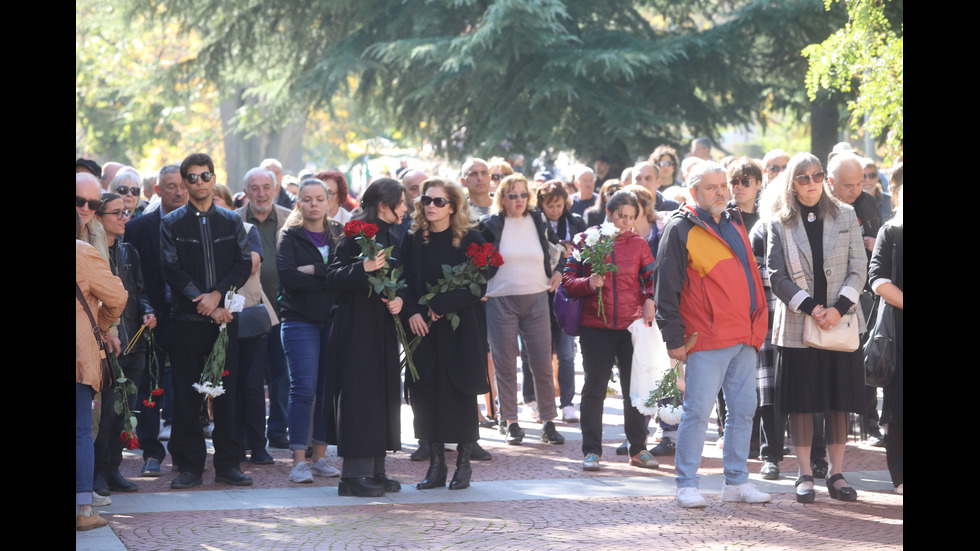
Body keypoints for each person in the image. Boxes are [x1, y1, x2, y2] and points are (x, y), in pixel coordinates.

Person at [655, 161, 771, 508]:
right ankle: (686, 483)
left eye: (723, 185)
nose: (721, 191)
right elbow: (666, 290)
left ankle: (736, 482)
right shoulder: (679, 228)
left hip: (744, 335)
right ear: (693, 192)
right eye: (711, 187)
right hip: (706, 336)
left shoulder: (734, 220)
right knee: (697, 412)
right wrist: (673, 339)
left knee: (744, 411)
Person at [767, 152, 867, 503]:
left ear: (825, 178)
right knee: (802, 403)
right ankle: (805, 473)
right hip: (798, 324)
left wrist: (839, 308)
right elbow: (775, 275)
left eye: (817, 176)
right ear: (792, 184)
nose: (812, 184)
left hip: (841, 324)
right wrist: (811, 308)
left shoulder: (846, 214)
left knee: (840, 401)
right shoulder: (779, 221)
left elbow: (860, 267)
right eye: (803, 178)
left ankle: (837, 474)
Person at [161, 153, 253, 489]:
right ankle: (189, 467)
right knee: (188, 396)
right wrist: (205, 302)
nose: (200, 182)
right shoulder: (171, 224)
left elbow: (243, 264)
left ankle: (229, 465)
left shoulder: (231, 222)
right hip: (187, 319)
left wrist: (217, 295)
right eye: (193, 177)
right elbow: (172, 270)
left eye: (205, 176)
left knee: (226, 394)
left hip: (225, 320)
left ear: (214, 179)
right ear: (184, 182)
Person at [402, 179, 492, 490]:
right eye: (427, 200)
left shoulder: (471, 239)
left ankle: (464, 465)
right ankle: (436, 466)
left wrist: (440, 304)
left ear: (452, 207)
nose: (430, 206)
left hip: (460, 330)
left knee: (460, 392)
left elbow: (477, 286)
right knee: (427, 395)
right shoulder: (414, 240)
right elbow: (401, 281)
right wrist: (413, 312)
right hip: (422, 329)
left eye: (439, 201)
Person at [562, 189, 658, 472]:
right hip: (596, 327)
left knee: (635, 389)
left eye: (631, 217)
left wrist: (650, 298)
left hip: (631, 327)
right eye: (621, 217)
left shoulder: (639, 244)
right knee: (594, 389)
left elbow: (651, 278)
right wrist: (587, 283)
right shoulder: (586, 239)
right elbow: (568, 280)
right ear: (608, 213)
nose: (626, 223)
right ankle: (591, 450)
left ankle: (638, 448)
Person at [325, 177, 408, 497]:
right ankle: (352, 476)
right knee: (360, 398)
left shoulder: (393, 235)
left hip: (383, 328)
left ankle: (376, 469)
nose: (405, 209)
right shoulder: (353, 234)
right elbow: (332, 277)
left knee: (382, 396)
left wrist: (399, 298)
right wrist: (364, 268)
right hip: (355, 329)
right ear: (383, 205)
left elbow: (400, 279)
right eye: (400, 203)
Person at [481, 173, 565, 447]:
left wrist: (560, 273)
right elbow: (475, 258)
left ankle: (548, 422)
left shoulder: (538, 219)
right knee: (505, 364)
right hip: (500, 299)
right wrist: (478, 286)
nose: (518, 200)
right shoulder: (490, 224)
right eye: (512, 195)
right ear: (501, 198)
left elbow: (560, 248)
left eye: (523, 194)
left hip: (537, 297)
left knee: (542, 362)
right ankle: (510, 422)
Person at [277, 178, 344, 483]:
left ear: (329, 201)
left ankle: (320, 457)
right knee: (304, 389)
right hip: (299, 320)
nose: (314, 204)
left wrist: (316, 270)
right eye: (307, 199)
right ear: (299, 203)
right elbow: (290, 279)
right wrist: (329, 276)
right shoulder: (289, 237)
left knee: (327, 391)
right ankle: (299, 461)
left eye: (319, 198)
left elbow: (346, 275)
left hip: (333, 320)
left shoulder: (340, 234)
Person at [92, 194, 157, 495]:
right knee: (104, 415)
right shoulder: (90, 252)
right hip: (105, 344)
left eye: (127, 212)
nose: (124, 218)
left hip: (135, 341)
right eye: (117, 213)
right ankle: (95, 473)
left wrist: (148, 310)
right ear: (99, 217)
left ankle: (113, 468)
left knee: (125, 412)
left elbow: (139, 289)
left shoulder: (129, 251)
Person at [76, 219, 127, 530]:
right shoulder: (82, 252)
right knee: (80, 429)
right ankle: (83, 511)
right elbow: (117, 297)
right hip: (78, 353)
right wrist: (102, 326)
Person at [536, 180, 587, 423]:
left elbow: (585, 253)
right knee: (537, 352)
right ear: (541, 205)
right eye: (550, 206)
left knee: (566, 352)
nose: (555, 210)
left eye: (558, 205)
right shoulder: (536, 222)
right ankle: (534, 400)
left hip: (568, 293)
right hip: (541, 291)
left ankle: (567, 402)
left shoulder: (576, 222)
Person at [868, 186, 903, 495]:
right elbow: (877, 279)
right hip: (898, 332)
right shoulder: (890, 231)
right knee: (898, 406)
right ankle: (900, 475)